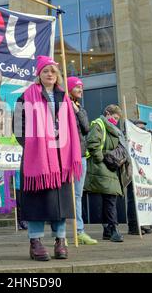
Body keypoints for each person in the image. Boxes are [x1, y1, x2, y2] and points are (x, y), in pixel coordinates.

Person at [13, 55, 82, 261]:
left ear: (58, 75)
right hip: (37, 159)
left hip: (61, 157)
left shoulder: (65, 98)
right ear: (39, 74)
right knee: (36, 202)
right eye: (45, 71)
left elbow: (75, 128)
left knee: (59, 202)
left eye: (53, 71)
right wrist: (35, 146)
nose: (49, 74)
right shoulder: (25, 96)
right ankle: (35, 242)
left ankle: (60, 240)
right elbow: (17, 127)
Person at [85, 104, 131, 243]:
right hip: (103, 167)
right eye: (114, 117)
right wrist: (103, 159)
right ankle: (114, 230)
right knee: (110, 199)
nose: (116, 121)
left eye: (118, 119)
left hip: (110, 167)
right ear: (107, 113)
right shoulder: (99, 124)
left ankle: (107, 230)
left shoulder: (113, 129)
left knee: (108, 200)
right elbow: (92, 143)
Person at [67, 76, 97, 245]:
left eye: (81, 87)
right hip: (65, 155)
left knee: (77, 194)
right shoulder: (62, 105)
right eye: (77, 87)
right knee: (64, 194)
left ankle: (79, 231)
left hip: (80, 156)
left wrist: (77, 111)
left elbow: (86, 129)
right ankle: (61, 232)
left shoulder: (81, 109)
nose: (80, 90)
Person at [126, 119, 152, 235]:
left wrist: (151, 136)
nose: (142, 130)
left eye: (144, 128)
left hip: (146, 174)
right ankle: (134, 225)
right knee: (133, 200)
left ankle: (145, 224)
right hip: (134, 172)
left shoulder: (147, 138)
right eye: (140, 128)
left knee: (146, 198)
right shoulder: (130, 137)